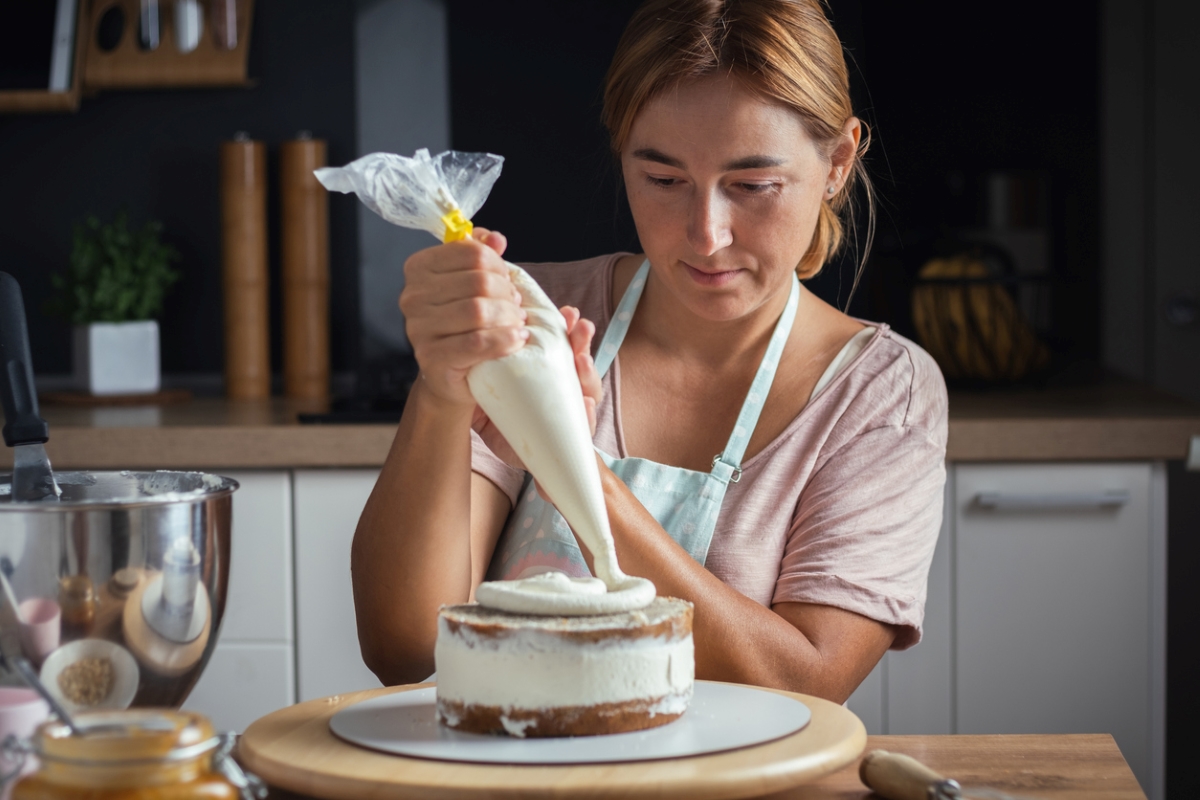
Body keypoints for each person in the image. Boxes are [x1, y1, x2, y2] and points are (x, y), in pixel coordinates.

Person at [351, 0, 947, 704]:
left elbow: (805, 683)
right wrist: (442, 391)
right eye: (663, 180)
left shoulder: (881, 392)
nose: (706, 234)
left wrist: (568, 459)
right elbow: (405, 649)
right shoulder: (538, 319)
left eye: (753, 186)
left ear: (838, 163)